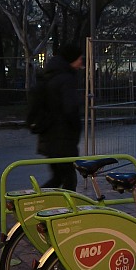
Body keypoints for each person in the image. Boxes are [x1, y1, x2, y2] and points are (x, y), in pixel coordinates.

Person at [35, 42, 85, 191]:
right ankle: (67, 211)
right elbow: (70, 109)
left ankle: (36, 201)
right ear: (72, 59)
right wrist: (77, 127)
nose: (81, 62)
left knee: (58, 177)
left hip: (50, 137)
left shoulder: (51, 75)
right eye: (79, 58)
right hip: (62, 138)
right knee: (69, 180)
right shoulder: (66, 79)